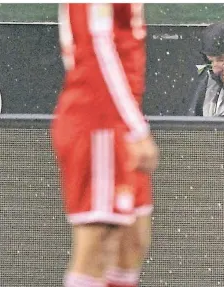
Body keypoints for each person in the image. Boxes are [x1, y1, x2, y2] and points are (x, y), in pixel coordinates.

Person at [51, 4, 158, 287]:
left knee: (132, 241)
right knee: (98, 245)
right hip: (97, 121)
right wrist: (136, 129)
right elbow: (97, 49)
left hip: (118, 121)